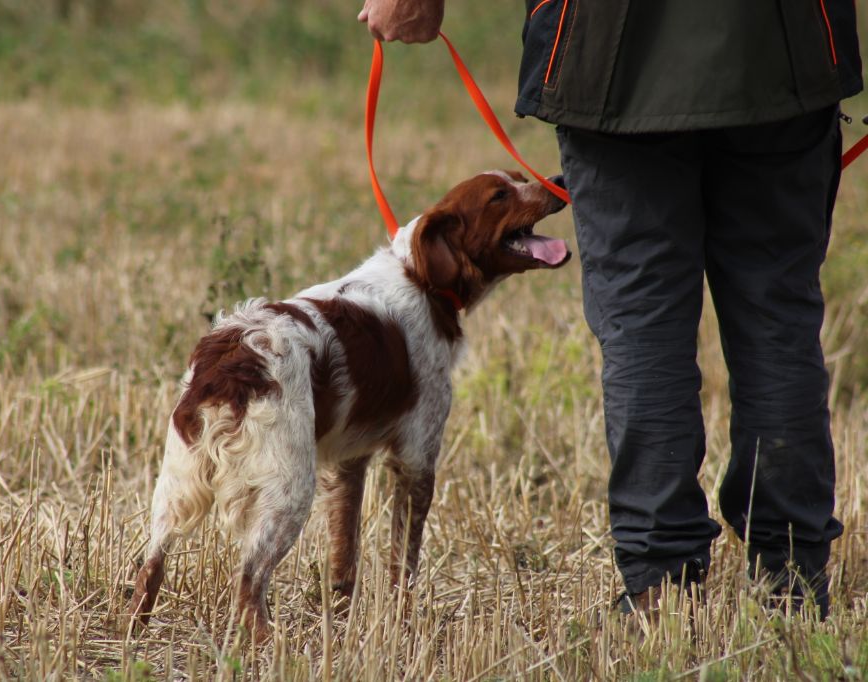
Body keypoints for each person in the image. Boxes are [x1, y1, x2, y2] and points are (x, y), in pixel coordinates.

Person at [359, 0, 863, 619]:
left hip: (610, 56)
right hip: (784, 44)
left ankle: (661, 583)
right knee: (777, 318)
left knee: (643, 323)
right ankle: (792, 577)